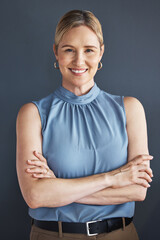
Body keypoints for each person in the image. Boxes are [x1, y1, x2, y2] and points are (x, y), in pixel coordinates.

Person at [16, 9, 153, 240]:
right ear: (56, 53)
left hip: (120, 235)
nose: (79, 61)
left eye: (89, 50)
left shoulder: (130, 109)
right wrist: (115, 178)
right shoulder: (33, 114)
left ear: (101, 52)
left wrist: (58, 187)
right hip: (54, 235)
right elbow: (36, 196)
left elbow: (138, 191)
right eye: (69, 50)